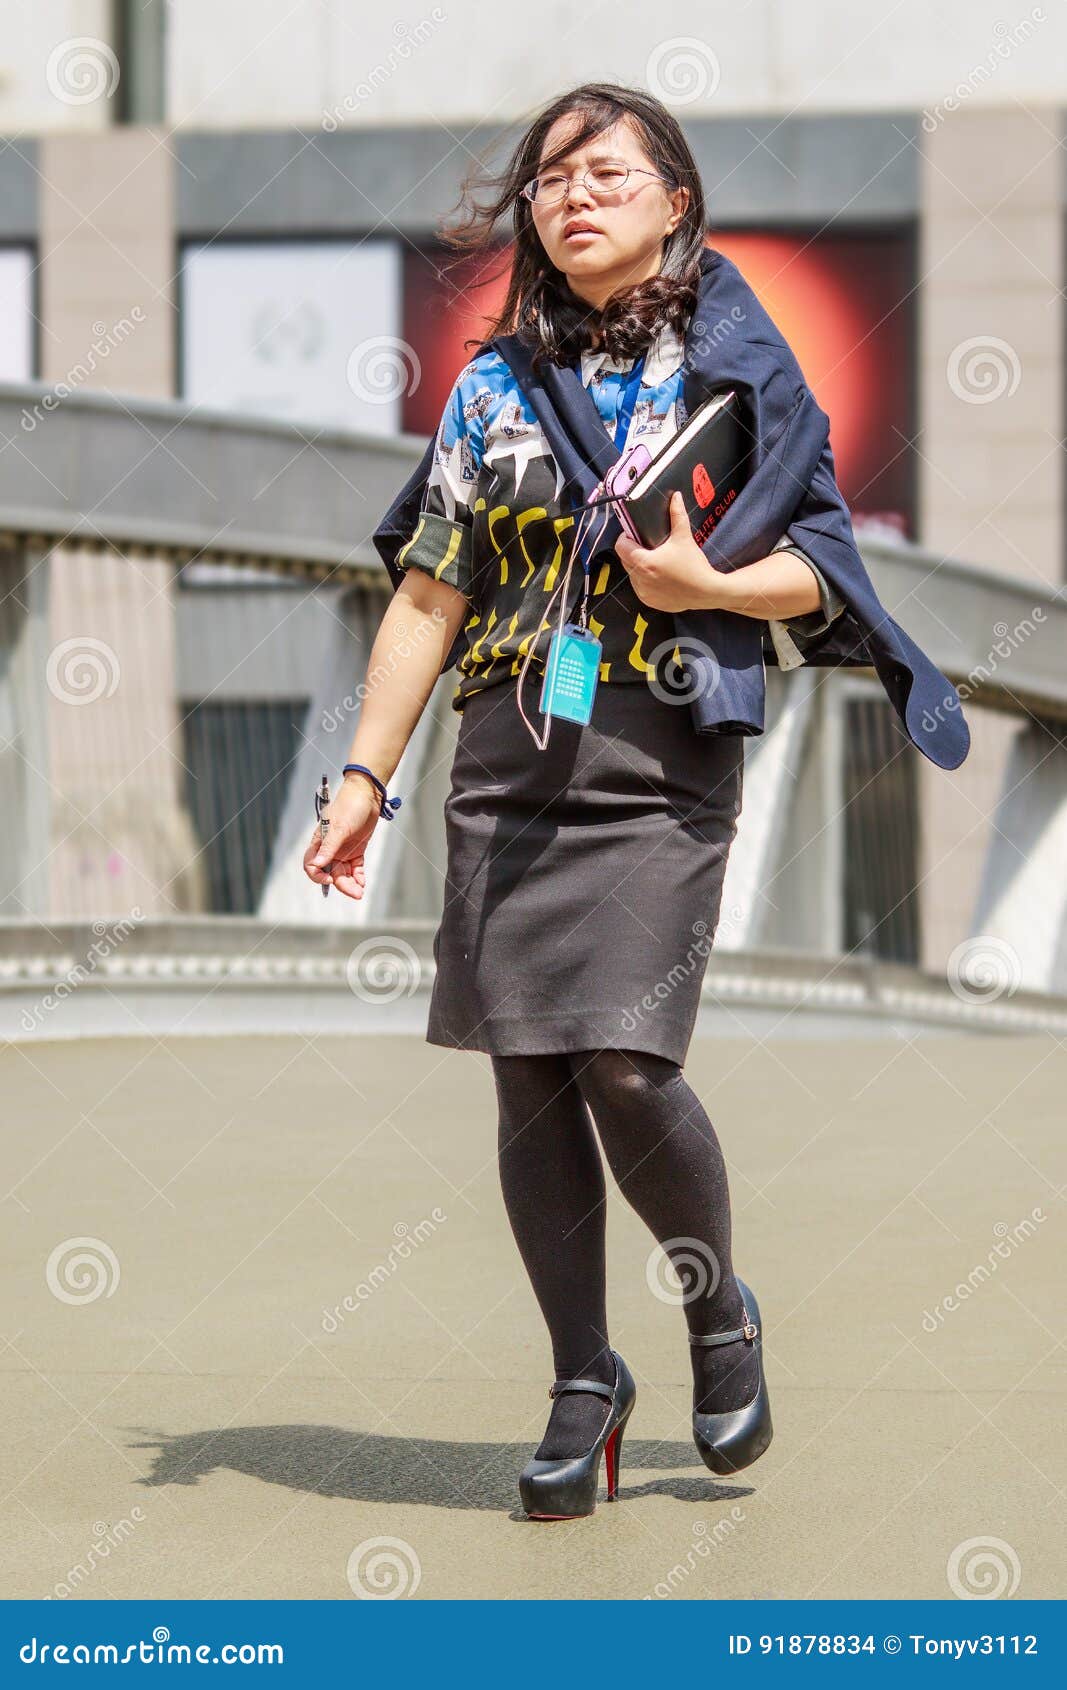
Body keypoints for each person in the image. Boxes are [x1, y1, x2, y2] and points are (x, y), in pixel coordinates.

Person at [302, 83, 897, 1520]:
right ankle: (584, 1375)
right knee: (529, 1078)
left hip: (660, 763)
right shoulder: (492, 386)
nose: (573, 195)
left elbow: (826, 567)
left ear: (675, 199)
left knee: (625, 1058)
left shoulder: (738, 370)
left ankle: (716, 1311)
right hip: (505, 769)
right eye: (551, 179)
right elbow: (429, 594)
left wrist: (705, 586)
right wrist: (368, 774)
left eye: (607, 171)